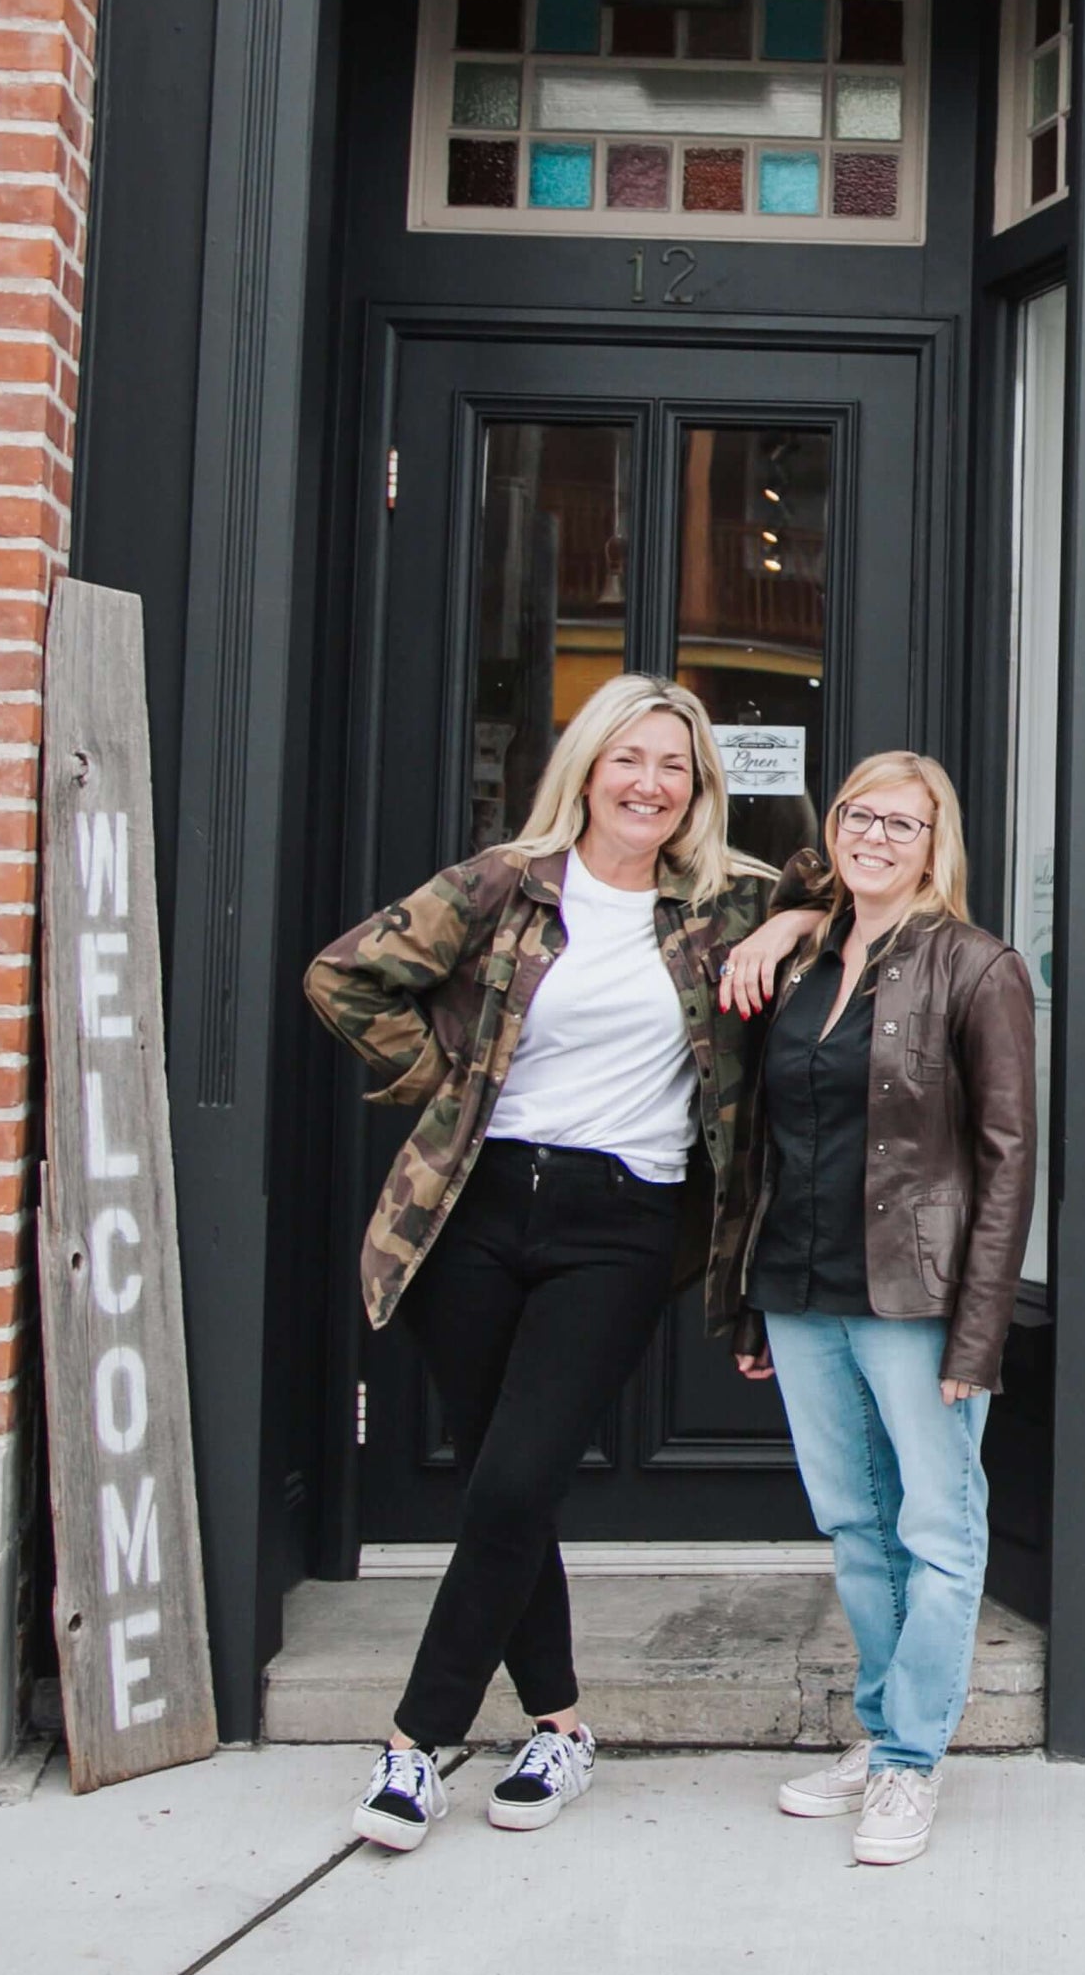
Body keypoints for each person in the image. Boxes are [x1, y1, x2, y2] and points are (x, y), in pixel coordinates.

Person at [303, 674, 820, 1850]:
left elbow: (849, 886)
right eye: (629, 759)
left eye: (674, 767)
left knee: (514, 1478)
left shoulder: (726, 902)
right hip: (475, 1209)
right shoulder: (506, 882)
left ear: (699, 787)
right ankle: (561, 1725)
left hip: (622, 1220)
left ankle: (417, 1741)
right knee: (506, 1485)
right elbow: (344, 976)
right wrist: (448, 1089)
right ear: (588, 768)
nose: (650, 783)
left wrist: (790, 920)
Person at [709, 751, 1036, 1868]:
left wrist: (980, 1329)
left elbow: (1007, 1160)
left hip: (918, 1298)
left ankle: (910, 1761)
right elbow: (766, 1141)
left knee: (935, 1530)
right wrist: (752, 1301)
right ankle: (884, 1729)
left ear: (936, 840)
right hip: (801, 1287)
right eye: (859, 815)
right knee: (856, 1526)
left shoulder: (978, 965)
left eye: (904, 822)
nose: (877, 837)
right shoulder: (805, 957)